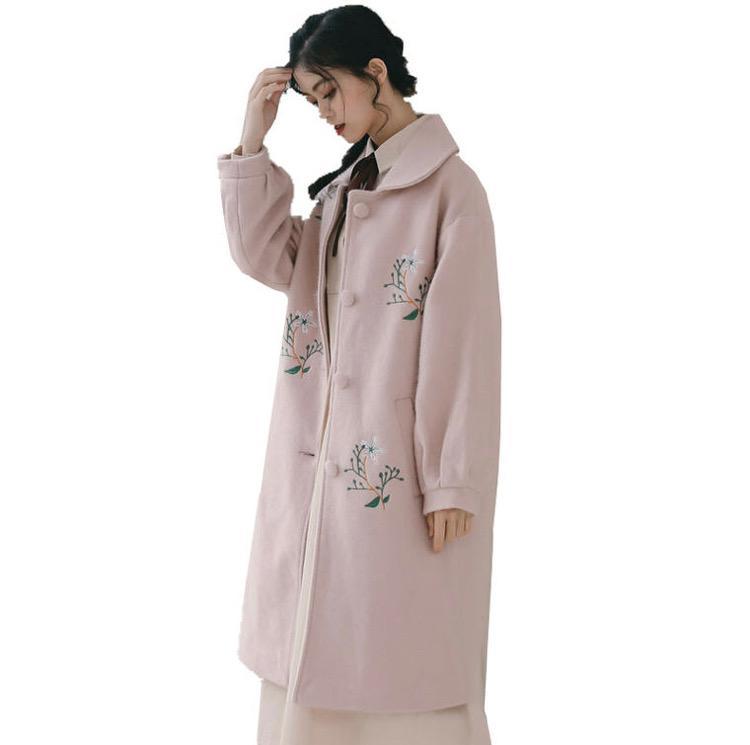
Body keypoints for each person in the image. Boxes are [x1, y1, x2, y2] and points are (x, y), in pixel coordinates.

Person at [216, 6, 501, 744]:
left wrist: (452, 480)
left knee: (401, 655)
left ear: (376, 72)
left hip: (398, 470)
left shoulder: (451, 190)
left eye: (330, 92)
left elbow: (464, 343)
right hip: (315, 466)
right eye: (313, 100)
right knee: (312, 645)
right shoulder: (341, 191)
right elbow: (265, 255)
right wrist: (253, 141)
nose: (325, 113)